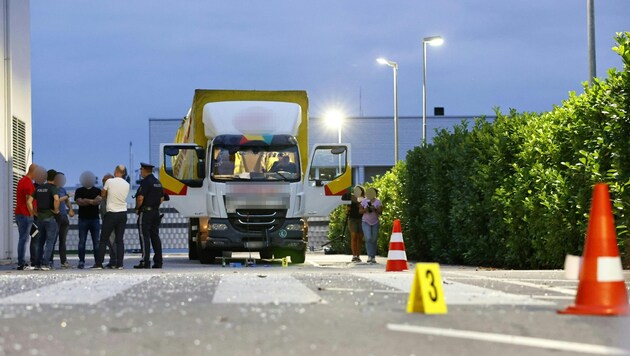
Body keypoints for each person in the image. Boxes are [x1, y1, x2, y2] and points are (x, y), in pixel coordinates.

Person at [93, 165, 130, 269]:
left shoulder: (109, 181)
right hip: (123, 213)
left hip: (111, 213)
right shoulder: (127, 184)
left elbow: (103, 194)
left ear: (116, 171)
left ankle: (99, 263)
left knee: (103, 239)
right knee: (119, 240)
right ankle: (120, 264)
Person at [134, 162, 166, 269]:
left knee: (144, 237)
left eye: (141, 170)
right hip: (156, 212)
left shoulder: (145, 182)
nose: (140, 172)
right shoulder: (158, 182)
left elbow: (140, 198)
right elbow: (162, 198)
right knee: (155, 237)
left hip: (146, 213)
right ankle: (158, 262)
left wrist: (137, 208)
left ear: (144, 170)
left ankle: (145, 261)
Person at [33, 169, 60, 270]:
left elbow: (30, 200)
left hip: (40, 218)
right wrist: (56, 210)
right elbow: (56, 199)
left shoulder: (39, 188)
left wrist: (34, 213)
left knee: (40, 242)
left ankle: (37, 264)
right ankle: (45, 263)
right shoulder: (53, 188)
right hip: (50, 218)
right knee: (50, 242)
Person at [74, 171, 102, 269]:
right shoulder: (79, 190)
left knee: (96, 242)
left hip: (95, 219)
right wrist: (91, 201)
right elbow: (79, 202)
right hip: (83, 219)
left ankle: (97, 262)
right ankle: (81, 261)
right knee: (82, 241)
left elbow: (98, 201)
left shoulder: (98, 190)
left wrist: (86, 200)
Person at [14, 164, 38, 270]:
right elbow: (29, 202)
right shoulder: (28, 184)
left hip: (20, 213)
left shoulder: (21, 181)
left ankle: (21, 262)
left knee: (23, 238)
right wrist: (33, 214)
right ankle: (21, 263)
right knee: (24, 239)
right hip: (26, 214)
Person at [51, 172, 75, 268]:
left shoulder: (62, 189)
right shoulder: (52, 189)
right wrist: (68, 196)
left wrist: (71, 209)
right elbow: (57, 200)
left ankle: (63, 261)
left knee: (63, 240)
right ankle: (49, 261)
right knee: (52, 240)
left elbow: (66, 201)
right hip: (55, 217)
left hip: (64, 217)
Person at [359, 187, 383, 264]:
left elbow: (380, 212)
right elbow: (360, 211)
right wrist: (365, 209)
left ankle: (373, 256)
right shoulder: (364, 201)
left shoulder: (378, 202)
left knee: (374, 239)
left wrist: (374, 209)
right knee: (368, 238)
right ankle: (370, 256)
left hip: (375, 222)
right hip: (365, 221)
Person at [100, 173, 117, 268]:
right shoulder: (105, 193)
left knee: (113, 240)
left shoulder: (111, 193)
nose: (104, 183)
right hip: (106, 220)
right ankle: (113, 259)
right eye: (103, 181)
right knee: (109, 241)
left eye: (105, 181)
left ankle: (115, 260)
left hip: (110, 220)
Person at [347, 185, 365, 263]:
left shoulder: (364, 199)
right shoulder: (351, 198)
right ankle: (354, 255)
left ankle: (358, 255)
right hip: (352, 219)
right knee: (354, 236)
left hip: (362, 219)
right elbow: (347, 208)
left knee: (360, 238)